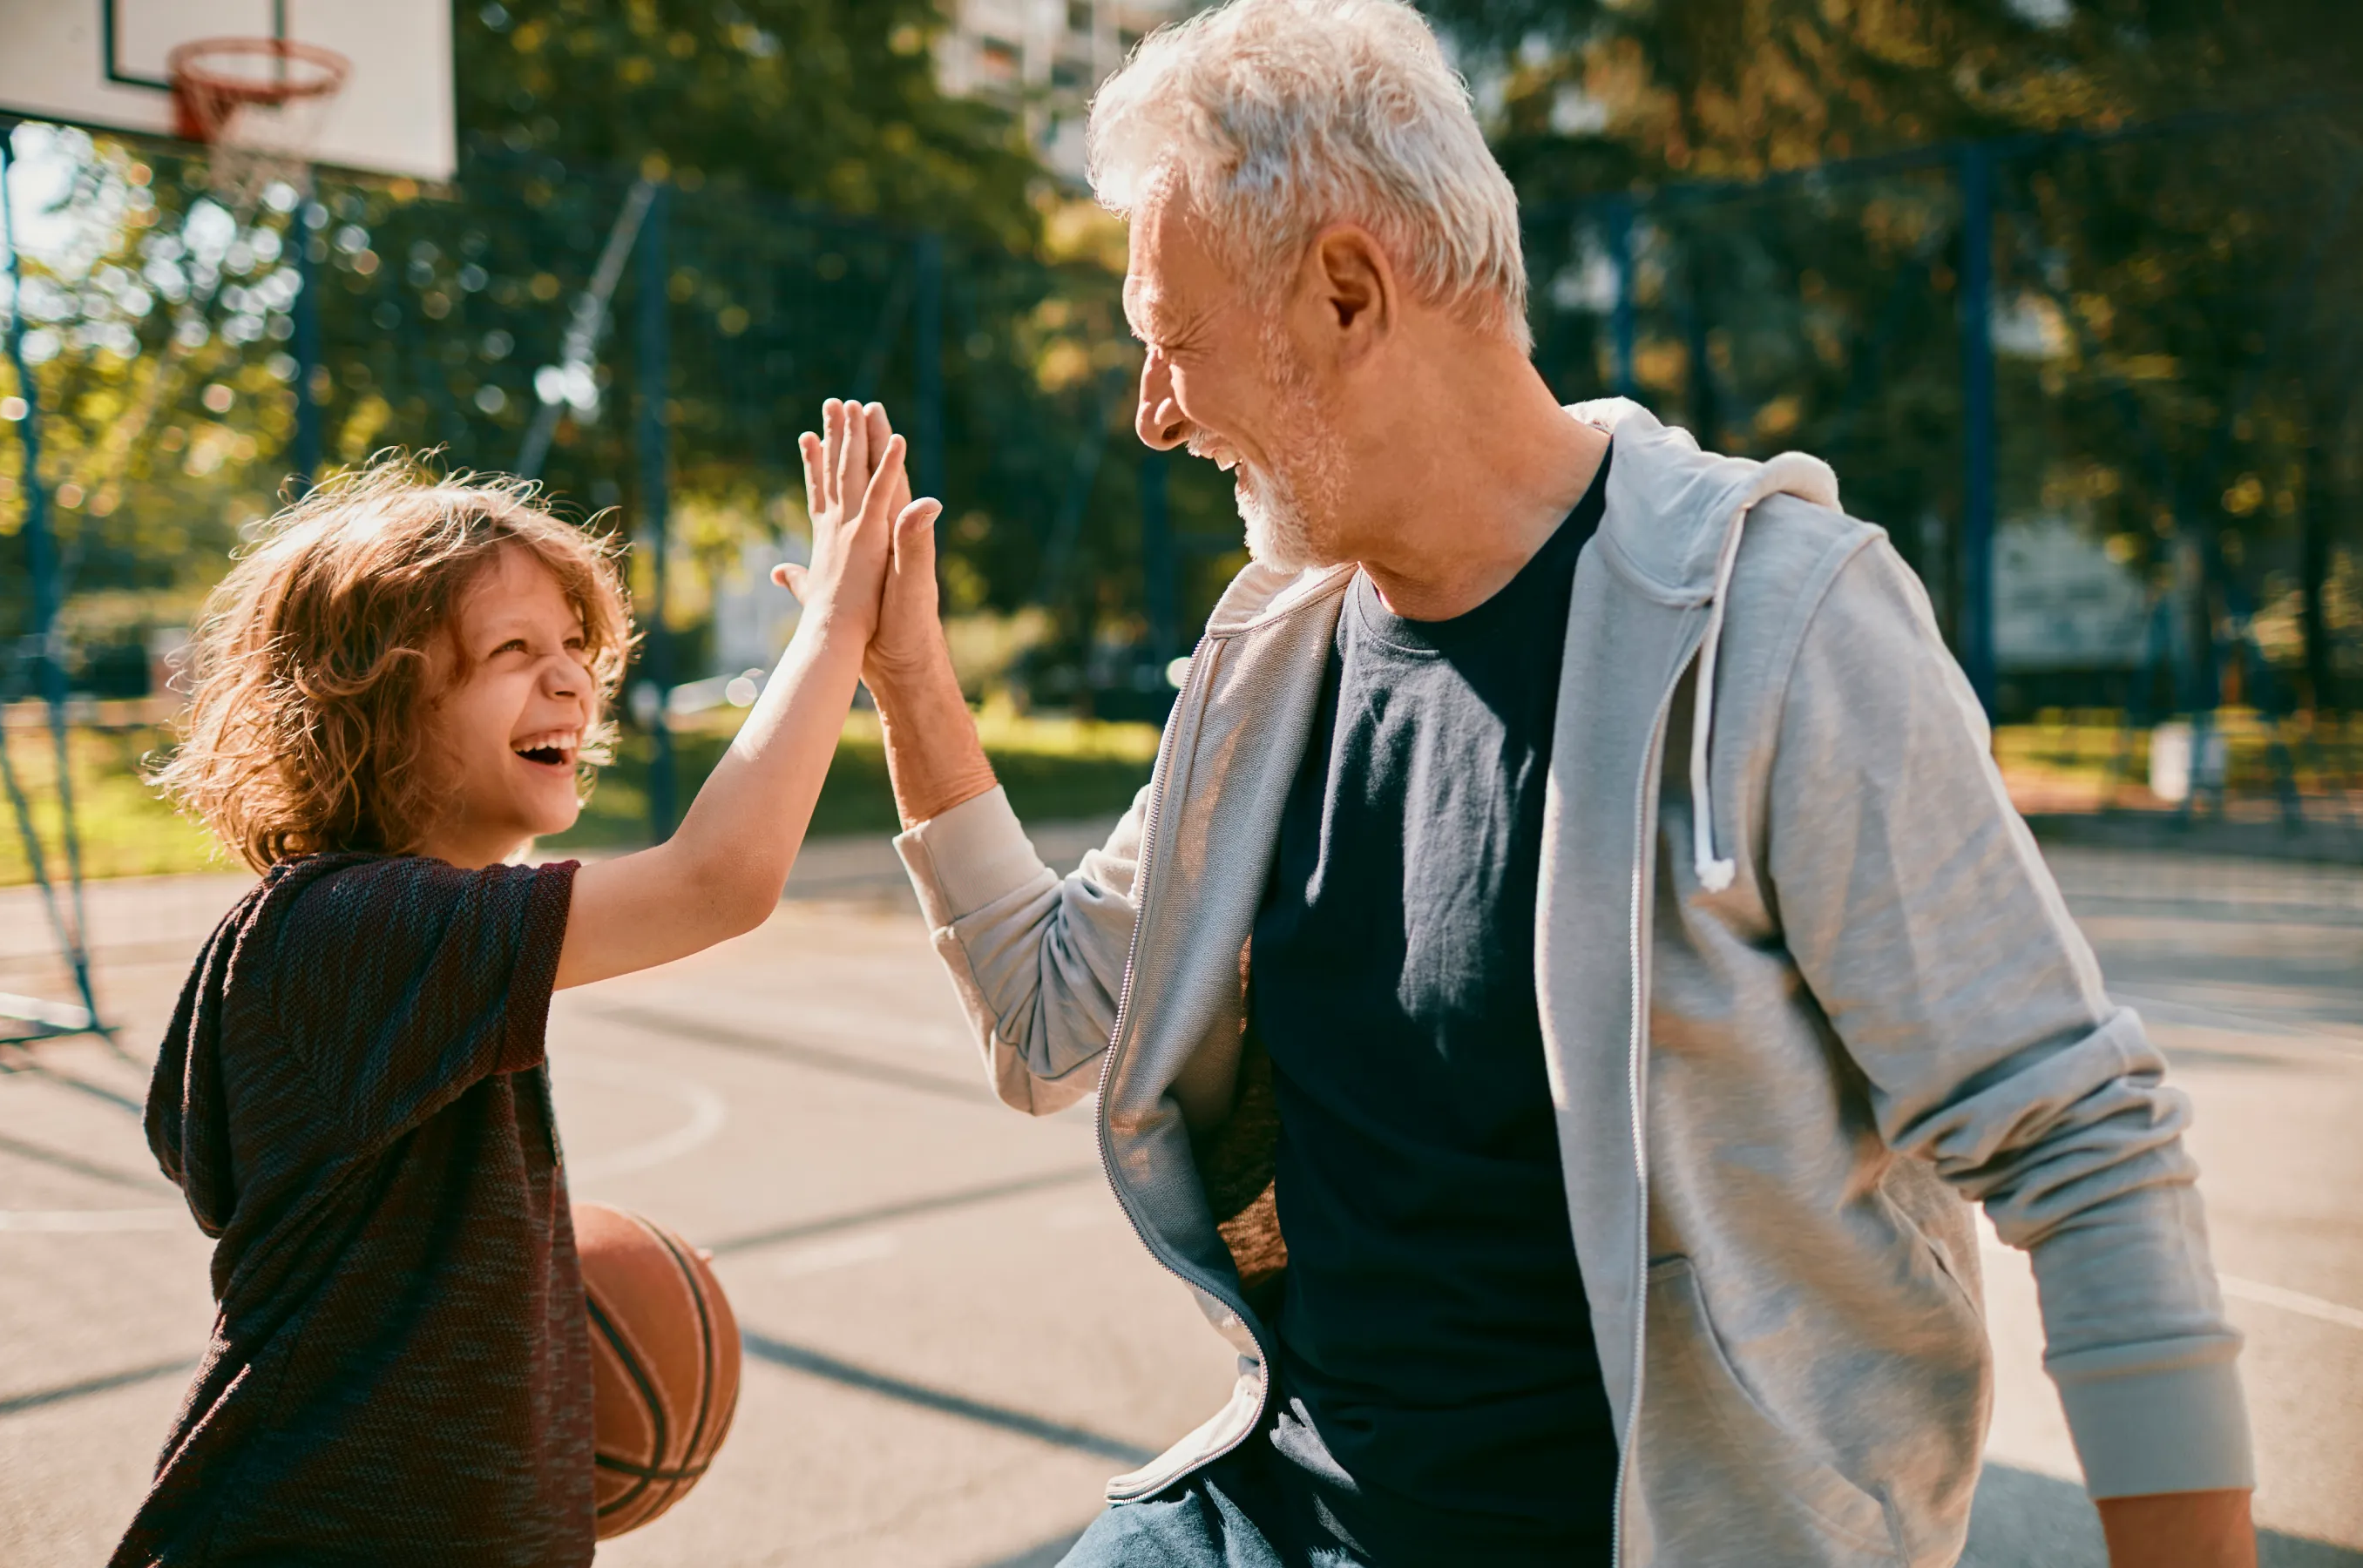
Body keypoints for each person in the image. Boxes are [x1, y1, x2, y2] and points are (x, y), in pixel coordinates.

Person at [843, 2, 2258, 1564]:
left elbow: (2087, 1146)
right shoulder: (1273, 655)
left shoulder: (1775, 623)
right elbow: (1055, 1028)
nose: (1154, 411)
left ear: (1344, 291)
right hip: (1281, 1511)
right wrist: (906, 679)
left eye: (1170, 342)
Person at [112, 408, 931, 1568]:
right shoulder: (353, 931)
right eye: (511, 655)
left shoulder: (373, 940)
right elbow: (718, 881)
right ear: (376, 700)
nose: (569, 681)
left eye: (574, 648)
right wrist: (842, 616)